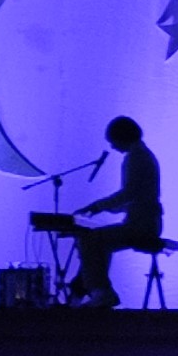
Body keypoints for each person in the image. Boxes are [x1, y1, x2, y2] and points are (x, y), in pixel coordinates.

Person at [72, 115, 162, 308]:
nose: (112, 147)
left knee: (89, 240)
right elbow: (136, 196)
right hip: (148, 222)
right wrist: (106, 207)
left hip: (142, 226)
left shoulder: (136, 157)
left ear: (122, 136)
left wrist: (97, 206)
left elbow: (128, 193)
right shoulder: (143, 155)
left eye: (113, 141)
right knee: (100, 244)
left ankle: (100, 292)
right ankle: (90, 289)